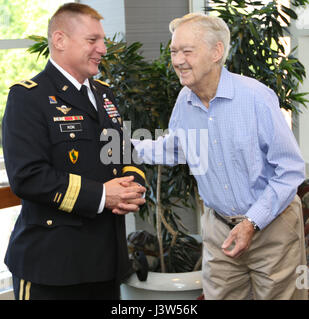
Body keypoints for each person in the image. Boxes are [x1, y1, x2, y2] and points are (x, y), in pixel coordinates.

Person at [132, 13, 308, 300]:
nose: (177, 60)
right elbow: (177, 147)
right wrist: (125, 147)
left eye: (187, 51)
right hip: (219, 230)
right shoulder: (184, 100)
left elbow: (289, 170)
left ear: (217, 52)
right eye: (175, 51)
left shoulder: (256, 98)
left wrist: (251, 223)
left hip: (272, 227)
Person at [2, 3, 146, 300]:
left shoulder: (104, 93)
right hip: (53, 266)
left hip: (106, 262)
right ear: (60, 41)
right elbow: (28, 177)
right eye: (93, 40)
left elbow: (123, 151)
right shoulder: (28, 97)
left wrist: (132, 187)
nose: (103, 49)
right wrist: (104, 196)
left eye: (103, 40)